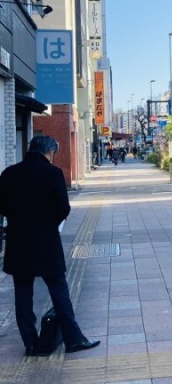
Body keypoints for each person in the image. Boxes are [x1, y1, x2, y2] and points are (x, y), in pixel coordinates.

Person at [0, 136, 100, 356]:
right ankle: (73, 339)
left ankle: (31, 343)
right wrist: (48, 224)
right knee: (58, 290)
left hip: (18, 243)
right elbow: (63, 208)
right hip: (46, 242)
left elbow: (2, 207)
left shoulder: (8, 173)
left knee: (23, 294)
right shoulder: (53, 173)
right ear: (50, 152)